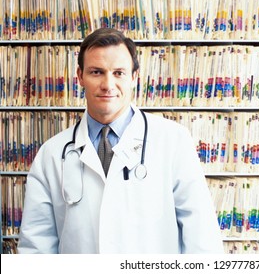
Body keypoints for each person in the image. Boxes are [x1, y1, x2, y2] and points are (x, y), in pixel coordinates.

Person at [17, 28, 224, 254]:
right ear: (80, 77)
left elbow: (202, 241)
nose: (108, 84)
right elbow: (36, 250)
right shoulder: (52, 154)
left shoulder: (173, 142)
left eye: (119, 73)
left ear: (134, 77)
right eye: (96, 72)